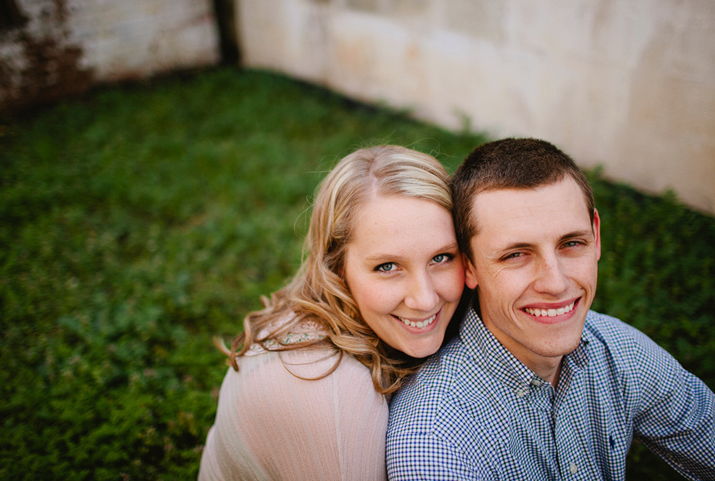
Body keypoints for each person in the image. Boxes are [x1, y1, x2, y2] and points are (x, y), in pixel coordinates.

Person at [386, 138, 715, 480]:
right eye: (516, 254)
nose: (555, 283)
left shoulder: (620, 352)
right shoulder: (437, 443)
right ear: (468, 267)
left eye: (571, 243)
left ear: (596, 236)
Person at [198, 145, 466, 480]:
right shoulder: (331, 396)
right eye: (387, 266)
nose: (425, 299)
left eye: (441, 258)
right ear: (336, 267)